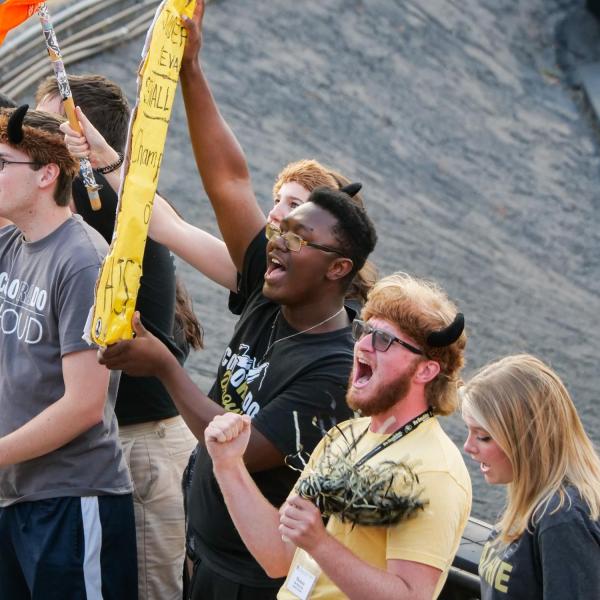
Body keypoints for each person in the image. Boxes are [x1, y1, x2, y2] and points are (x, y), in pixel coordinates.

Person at [36, 73, 202, 600]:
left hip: (142, 445)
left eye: (40, 124)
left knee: (153, 592)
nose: (25, 133)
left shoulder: (105, 205)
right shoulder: (95, 200)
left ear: (76, 137)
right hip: (114, 442)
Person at [204, 272, 472, 599]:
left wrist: (319, 542)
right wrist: (228, 465)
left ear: (425, 370)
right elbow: (279, 556)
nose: (363, 345)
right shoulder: (344, 436)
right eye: (365, 330)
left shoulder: (434, 470)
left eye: (384, 339)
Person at [0, 105, 136, 598]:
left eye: (1, 162)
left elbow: (83, 406)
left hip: (72, 498)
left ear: (47, 174)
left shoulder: (82, 260)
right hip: (16, 493)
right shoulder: (12, 242)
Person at [462, 354, 600, 599]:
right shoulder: (536, 503)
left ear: (527, 440)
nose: (468, 446)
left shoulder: (562, 517)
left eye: (483, 436)